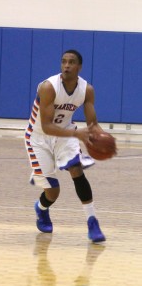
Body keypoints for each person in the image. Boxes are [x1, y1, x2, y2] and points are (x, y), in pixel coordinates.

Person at [25, 49, 105, 243]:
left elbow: (92, 124)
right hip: (38, 138)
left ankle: (92, 221)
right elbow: (47, 126)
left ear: (79, 67)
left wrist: (102, 137)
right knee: (53, 191)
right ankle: (41, 209)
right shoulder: (48, 87)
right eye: (63, 62)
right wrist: (77, 133)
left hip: (65, 135)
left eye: (71, 62)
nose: (66, 65)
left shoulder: (87, 90)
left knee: (76, 169)